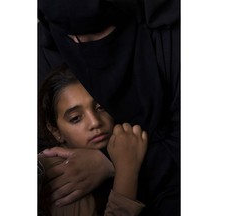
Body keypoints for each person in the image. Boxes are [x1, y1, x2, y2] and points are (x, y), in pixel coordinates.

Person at [38, 0, 180, 215]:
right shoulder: (46, 53)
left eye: (99, 33)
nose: (94, 122)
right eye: (74, 38)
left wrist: (110, 163)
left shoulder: (169, 40)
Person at [38, 64, 148, 215]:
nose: (95, 122)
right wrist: (126, 169)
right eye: (76, 118)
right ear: (55, 131)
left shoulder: (130, 139)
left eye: (100, 107)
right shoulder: (59, 173)